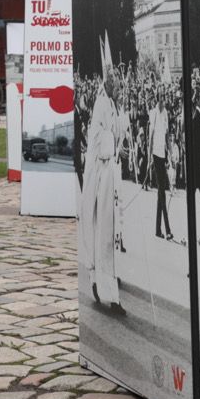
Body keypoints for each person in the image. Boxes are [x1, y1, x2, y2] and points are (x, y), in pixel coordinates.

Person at [80, 71, 123, 306]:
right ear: (107, 84)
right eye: (116, 85)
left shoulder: (114, 105)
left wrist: (120, 141)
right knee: (101, 228)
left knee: (111, 230)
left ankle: (107, 281)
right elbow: (98, 139)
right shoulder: (100, 105)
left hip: (111, 176)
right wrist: (113, 142)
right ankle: (102, 283)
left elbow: (116, 135)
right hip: (99, 175)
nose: (119, 89)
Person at [149, 97, 172, 241]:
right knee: (162, 192)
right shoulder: (153, 113)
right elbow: (150, 136)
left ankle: (158, 229)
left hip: (163, 154)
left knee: (161, 191)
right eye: (160, 100)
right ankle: (168, 229)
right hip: (155, 155)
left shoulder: (165, 114)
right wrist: (150, 156)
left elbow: (167, 135)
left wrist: (170, 153)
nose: (162, 102)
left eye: (164, 100)